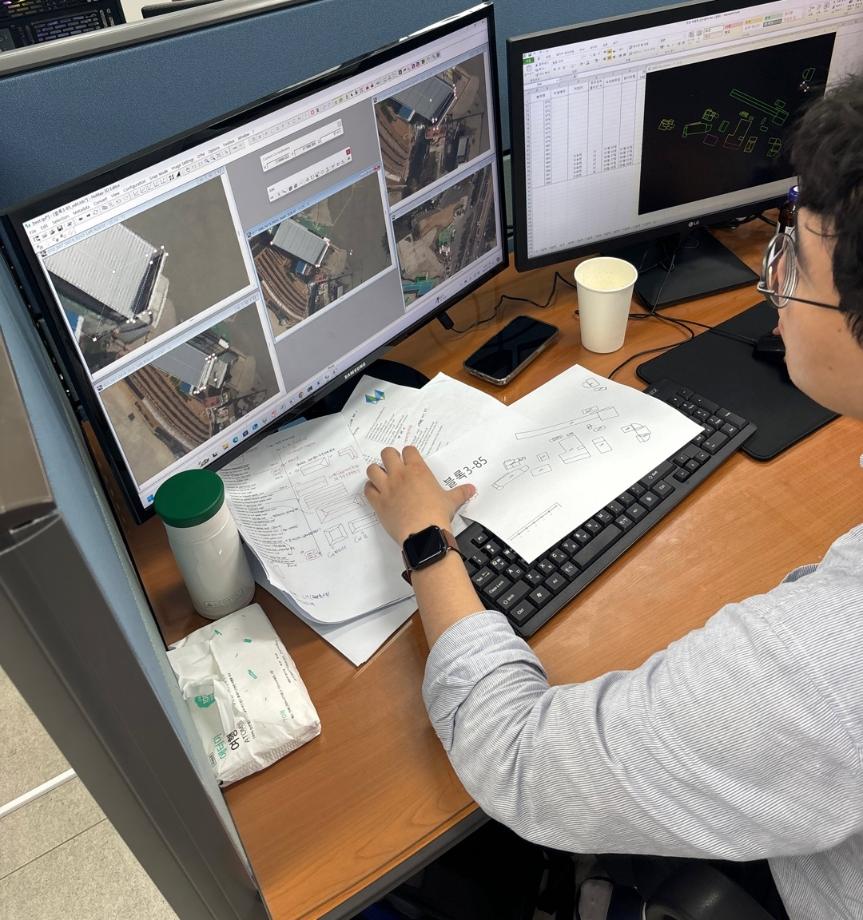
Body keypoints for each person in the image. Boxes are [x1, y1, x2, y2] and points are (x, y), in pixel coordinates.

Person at [363, 74, 863, 920]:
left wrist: (426, 543)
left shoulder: (824, 667)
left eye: (794, 263)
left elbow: (519, 759)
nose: (770, 284)